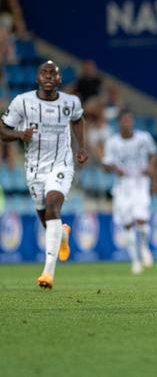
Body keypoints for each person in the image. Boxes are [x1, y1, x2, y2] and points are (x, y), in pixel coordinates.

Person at [0, 60, 87, 289]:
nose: (48, 76)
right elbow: (2, 130)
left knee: (53, 208)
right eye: (44, 73)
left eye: (53, 73)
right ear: (37, 78)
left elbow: (78, 119)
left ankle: (48, 273)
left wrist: (81, 146)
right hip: (34, 168)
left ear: (59, 79)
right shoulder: (23, 102)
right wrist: (21, 135)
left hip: (62, 165)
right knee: (48, 219)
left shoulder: (71, 102)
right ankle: (63, 236)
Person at [102, 109, 157, 274]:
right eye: (124, 120)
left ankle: (144, 245)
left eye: (130, 120)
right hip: (123, 186)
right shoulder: (112, 143)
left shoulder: (144, 138)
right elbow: (106, 164)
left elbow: (153, 154)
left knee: (142, 220)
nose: (128, 123)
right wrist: (114, 169)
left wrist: (150, 166)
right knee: (127, 223)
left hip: (140, 183)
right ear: (119, 123)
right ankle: (135, 260)